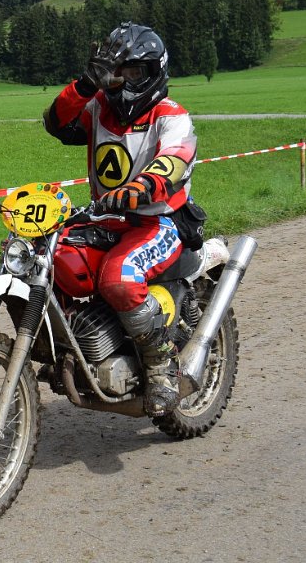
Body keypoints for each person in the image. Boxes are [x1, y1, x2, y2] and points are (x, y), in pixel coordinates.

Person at [43, 21, 198, 417]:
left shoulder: (171, 116)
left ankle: (162, 367)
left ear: (155, 72)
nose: (124, 82)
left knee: (118, 278)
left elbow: (173, 161)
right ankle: (72, 344)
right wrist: (84, 85)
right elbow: (56, 123)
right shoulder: (98, 107)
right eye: (116, 72)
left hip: (159, 220)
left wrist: (140, 187)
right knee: (44, 256)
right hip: (105, 218)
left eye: (134, 72)